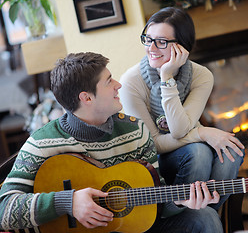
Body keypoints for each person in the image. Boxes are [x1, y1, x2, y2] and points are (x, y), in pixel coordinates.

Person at [0, 52, 224, 233]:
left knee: (204, 216)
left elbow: (156, 199)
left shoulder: (135, 130)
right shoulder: (41, 143)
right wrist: (68, 202)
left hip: (130, 227)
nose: (118, 85)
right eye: (108, 82)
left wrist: (181, 202)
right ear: (86, 98)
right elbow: (3, 211)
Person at [119, 6, 245, 210]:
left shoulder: (201, 75)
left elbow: (180, 130)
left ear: (182, 47)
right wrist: (202, 132)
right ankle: (187, 214)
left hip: (186, 146)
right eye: (148, 39)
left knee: (232, 149)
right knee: (199, 153)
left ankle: (203, 212)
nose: (151, 48)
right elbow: (155, 144)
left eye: (161, 42)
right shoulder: (130, 83)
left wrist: (166, 77)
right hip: (156, 162)